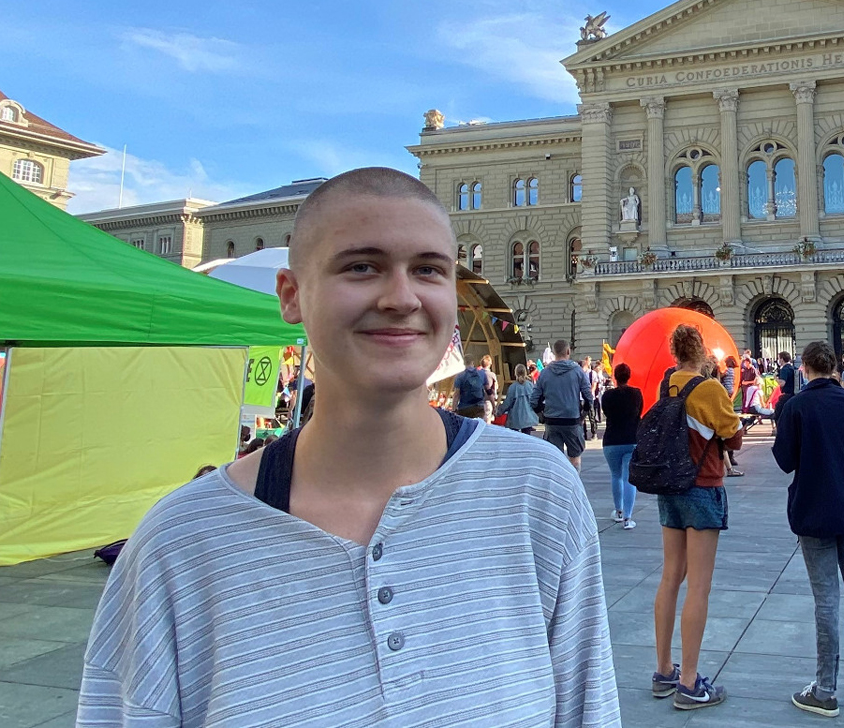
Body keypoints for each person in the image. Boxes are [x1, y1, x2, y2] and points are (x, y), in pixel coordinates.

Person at [77, 167, 620, 727]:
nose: (401, 297)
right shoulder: (182, 543)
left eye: (429, 270)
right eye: (362, 267)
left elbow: (587, 710)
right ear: (291, 295)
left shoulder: (536, 493)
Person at [772, 341, 844, 717]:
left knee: (826, 601)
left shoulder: (798, 406)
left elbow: (785, 460)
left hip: (815, 511)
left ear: (804, 368)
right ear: (834, 367)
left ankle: (825, 689)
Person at [651, 325, 743, 712]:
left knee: (671, 575)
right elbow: (734, 438)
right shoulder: (709, 389)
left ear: (674, 352)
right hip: (702, 487)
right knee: (699, 587)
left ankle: (664, 671)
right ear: (701, 351)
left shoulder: (666, 384)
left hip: (670, 487)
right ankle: (689, 682)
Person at [530, 339, 594, 471]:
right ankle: (574, 485)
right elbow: (588, 397)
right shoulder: (578, 371)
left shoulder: (545, 373)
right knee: (575, 458)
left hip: (552, 420)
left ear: (554, 353)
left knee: (555, 459)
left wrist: (541, 415)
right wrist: (583, 415)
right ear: (568, 351)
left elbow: (534, 400)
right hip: (572, 419)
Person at [601, 363, 642, 530]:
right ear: (629, 376)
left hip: (611, 440)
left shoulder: (607, 396)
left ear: (615, 377)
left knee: (615, 475)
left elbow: (606, 413)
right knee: (628, 478)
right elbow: (639, 412)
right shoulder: (636, 394)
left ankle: (618, 511)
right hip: (631, 438)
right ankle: (628, 517)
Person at [494, 363, 539, 434]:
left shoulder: (513, 387)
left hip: (515, 419)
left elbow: (507, 404)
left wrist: (498, 412)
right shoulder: (530, 385)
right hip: (528, 418)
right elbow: (535, 401)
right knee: (527, 438)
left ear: (515, 373)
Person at [452, 354, 488, 419]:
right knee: (478, 427)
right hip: (479, 406)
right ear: (473, 362)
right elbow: (488, 391)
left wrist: (454, 409)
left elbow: (456, 394)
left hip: (465, 408)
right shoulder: (482, 373)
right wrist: (493, 406)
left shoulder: (460, 376)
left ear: (463, 363)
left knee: (466, 428)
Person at [774, 351, 796, 422]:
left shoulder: (784, 369)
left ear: (782, 359)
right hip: (793, 393)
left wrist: (776, 378)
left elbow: (782, 383)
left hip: (786, 394)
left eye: (779, 358)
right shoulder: (792, 368)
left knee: (778, 413)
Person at [479, 354, 499, 423]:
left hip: (477, 401)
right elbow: (495, 388)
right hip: (488, 400)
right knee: (487, 421)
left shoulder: (477, 373)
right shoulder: (491, 375)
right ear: (490, 364)